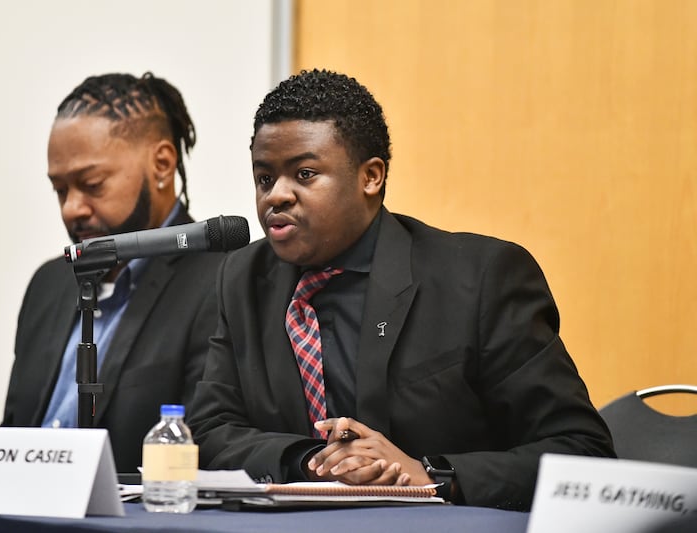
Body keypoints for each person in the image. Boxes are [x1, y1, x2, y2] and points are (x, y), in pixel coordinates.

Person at [189, 69, 616, 511]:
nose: (276, 196)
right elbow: (209, 430)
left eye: (305, 173)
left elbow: (582, 452)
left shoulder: (479, 278)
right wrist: (311, 460)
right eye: (264, 178)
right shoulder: (243, 277)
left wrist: (429, 474)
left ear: (370, 177)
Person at [1, 72, 224, 473]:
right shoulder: (50, 284)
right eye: (60, 190)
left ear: (162, 164)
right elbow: (15, 430)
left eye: (92, 184)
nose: (72, 208)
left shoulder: (224, 280)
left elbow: (208, 447)